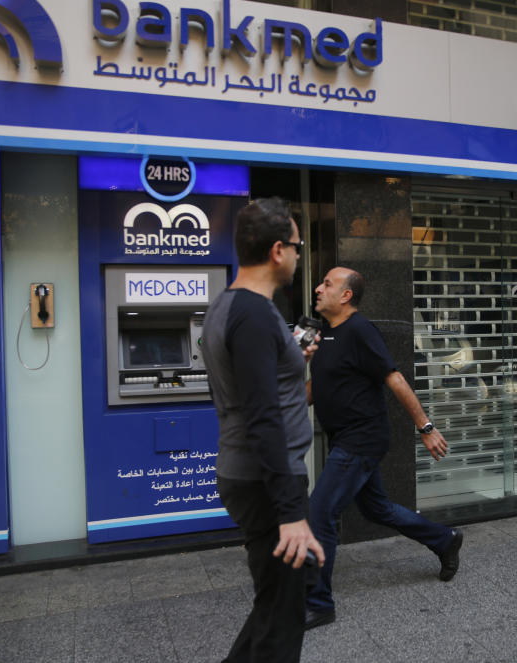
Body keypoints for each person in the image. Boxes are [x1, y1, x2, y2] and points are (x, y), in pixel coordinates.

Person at [304, 266, 463, 630]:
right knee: (377, 509)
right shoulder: (325, 332)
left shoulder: (360, 330)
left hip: (362, 438)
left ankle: (318, 603)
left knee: (320, 513)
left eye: (326, 284)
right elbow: (319, 384)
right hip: (344, 436)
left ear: (346, 295)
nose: (317, 288)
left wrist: (425, 427)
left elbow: (394, 377)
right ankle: (445, 539)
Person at [201, 197, 325, 663]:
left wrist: (293, 360)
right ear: (277, 250)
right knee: (282, 620)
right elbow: (262, 413)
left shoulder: (233, 307)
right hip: (265, 481)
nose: (298, 255)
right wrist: (291, 511)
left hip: (255, 477)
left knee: (278, 601)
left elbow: (261, 383)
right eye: (296, 246)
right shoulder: (252, 315)